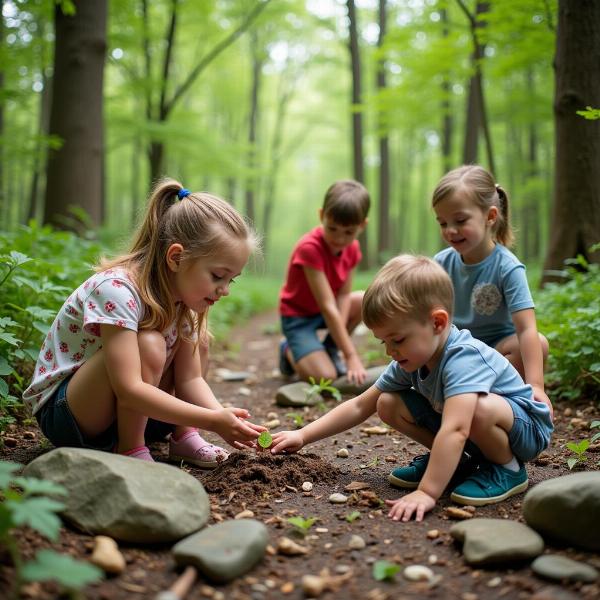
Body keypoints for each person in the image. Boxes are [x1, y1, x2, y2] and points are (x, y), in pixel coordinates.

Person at [271, 255, 553, 522]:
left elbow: (456, 429)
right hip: (476, 429)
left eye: (398, 339)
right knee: (387, 402)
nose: (390, 351)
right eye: (384, 342)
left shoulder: (463, 358)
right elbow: (360, 405)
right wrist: (303, 434)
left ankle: (508, 469)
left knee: (476, 409)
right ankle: (457, 464)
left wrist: (428, 492)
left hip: (523, 432)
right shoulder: (413, 358)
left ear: (437, 322)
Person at [23, 179, 265, 465]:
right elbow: (129, 389)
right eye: (217, 276)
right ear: (176, 257)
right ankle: (130, 449)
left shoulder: (182, 301)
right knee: (150, 343)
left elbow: (191, 378)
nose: (224, 289)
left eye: (230, 280)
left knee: (199, 339)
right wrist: (213, 419)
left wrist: (224, 418)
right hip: (68, 415)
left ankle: (184, 437)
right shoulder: (117, 289)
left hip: (128, 412)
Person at [432, 165, 552, 415]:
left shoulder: (507, 267)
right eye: (443, 223)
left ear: (490, 216)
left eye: (460, 220)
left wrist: (536, 385)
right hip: (456, 352)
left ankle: (499, 403)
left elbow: (527, 328)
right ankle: (455, 398)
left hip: (498, 353)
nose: (450, 230)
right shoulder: (440, 264)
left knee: (537, 343)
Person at [278, 180, 370, 385]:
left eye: (348, 232)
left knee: (365, 299)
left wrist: (339, 341)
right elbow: (328, 306)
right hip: (298, 317)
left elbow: (344, 295)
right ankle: (287, 349)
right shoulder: (310, 248)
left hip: (326, 313)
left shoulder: (352, 249)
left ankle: (330, 348)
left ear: (362, 226)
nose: (339, 238)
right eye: (333, 228)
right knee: (325, 377)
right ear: (322, 216)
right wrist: (350, 355)